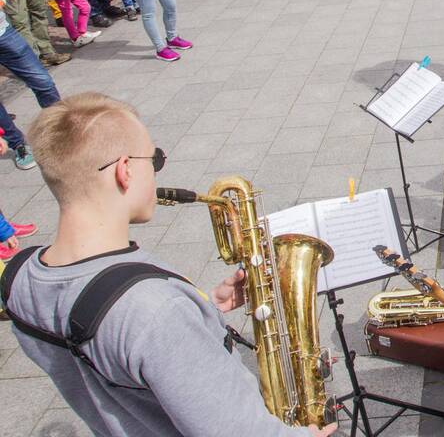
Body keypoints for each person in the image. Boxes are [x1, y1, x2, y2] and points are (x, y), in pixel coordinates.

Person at [0, 92, 337, 436]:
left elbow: (110, 336)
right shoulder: (157, 311)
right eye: (155, 160)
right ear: (124, 170)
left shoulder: (20, 276)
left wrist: (203, 312)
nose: (158, 171)